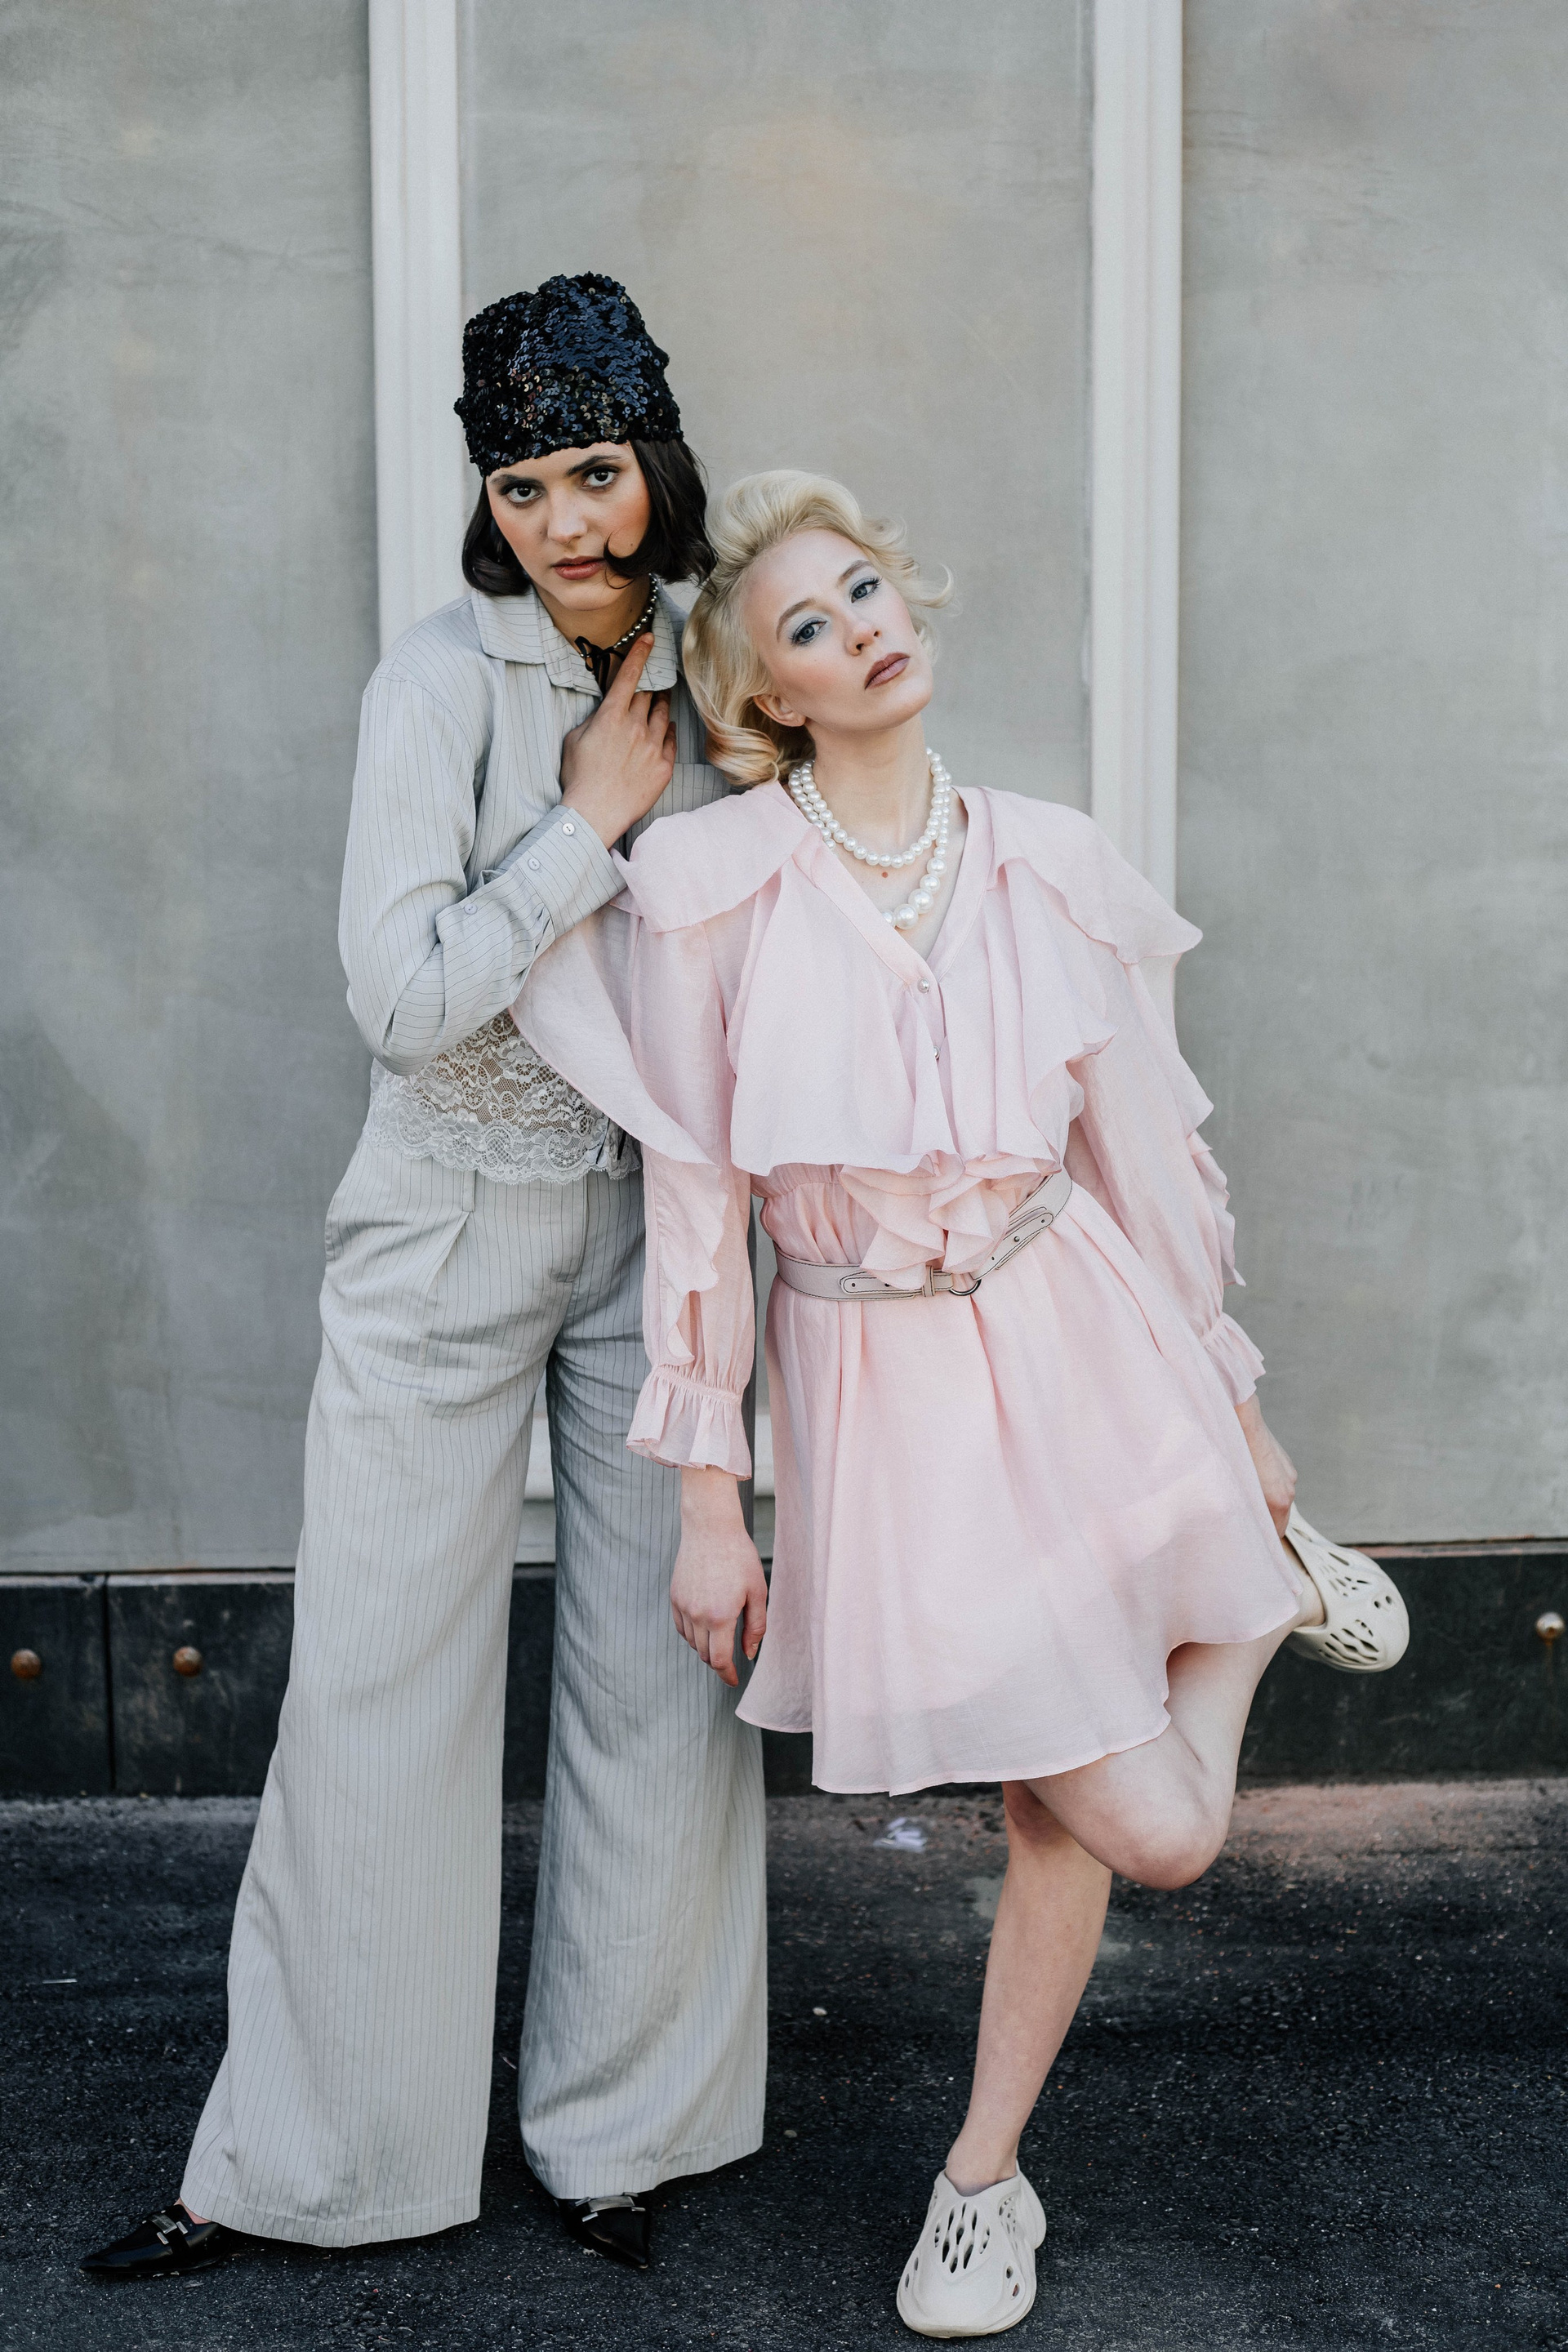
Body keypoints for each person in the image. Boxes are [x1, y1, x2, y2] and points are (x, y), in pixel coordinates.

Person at [512, 470, 1410, 2338]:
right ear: (769, 697)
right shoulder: (713, 892)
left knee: (1084, 1817)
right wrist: (708, 1502)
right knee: (1152, 1820)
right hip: (885, 1399)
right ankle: (1258, 1600)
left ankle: (982, 2185)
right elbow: (699, 1203)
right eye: (809, 627)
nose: (863, 631)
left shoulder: (1049, 861)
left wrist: (1238, 1412)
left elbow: (1142, 1153)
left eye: (866, 591)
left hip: (1084, 1335)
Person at [82, 276, 765, 2284]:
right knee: (379, 1688)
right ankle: (314, 2162)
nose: (562, 519)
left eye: (595, 472)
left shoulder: (721, 667)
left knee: (662, 1682)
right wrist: (585, 830)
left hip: (662, 1236)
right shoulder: (436, 686)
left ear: (656, 465)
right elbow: (400, 1001)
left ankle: (624, 2133)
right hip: (444, 1223)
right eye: (522, 484)